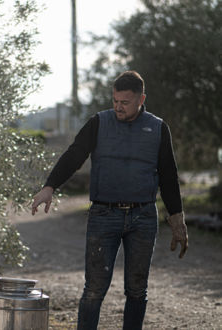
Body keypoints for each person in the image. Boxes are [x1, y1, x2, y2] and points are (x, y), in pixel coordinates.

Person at [31, 70, 188, 330]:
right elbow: (74, 155)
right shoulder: (99, 122)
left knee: (137, 289)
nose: (118, 106)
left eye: (125, 102)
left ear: (141, 99)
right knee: (93, 289)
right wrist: (50, 186)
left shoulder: (158, 128)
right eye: (115, 100)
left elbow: (169, 176)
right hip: (104, 216)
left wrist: (177, 218)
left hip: (143, 217)